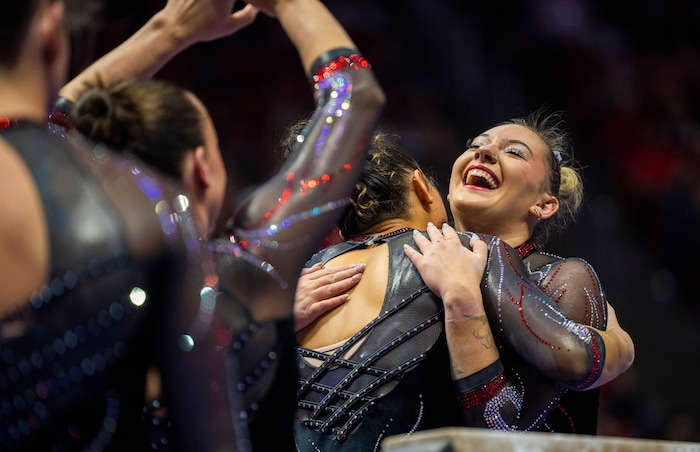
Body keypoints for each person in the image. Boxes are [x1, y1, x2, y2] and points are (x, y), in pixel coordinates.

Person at [1, 1, 386, 451]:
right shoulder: (245, 271)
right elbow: (354, 95)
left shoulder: (67, 245)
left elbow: (38, 136)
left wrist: (167, 30)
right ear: (202, 166)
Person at [0, 0, 250, 449]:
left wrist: (167, 30)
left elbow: (40, 126)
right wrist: (167, 30)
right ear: (52, 30)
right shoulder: (150, 209)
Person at [291, 129, 631, 450]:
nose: (483, 151)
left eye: (514, 152)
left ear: (543, 204)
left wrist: (618, 347)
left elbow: (505, 436)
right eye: (474, 145)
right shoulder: (416, 266)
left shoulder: (561, 276)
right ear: (440, 192)